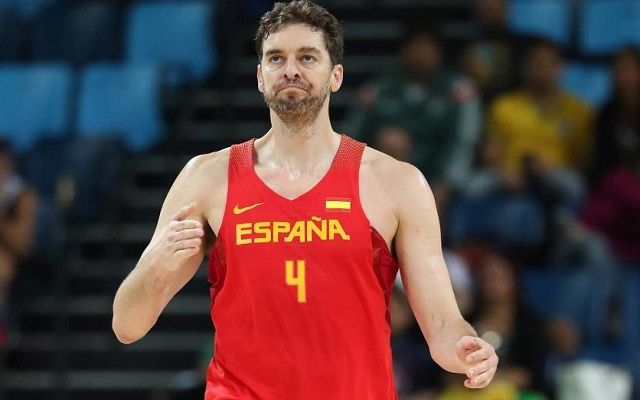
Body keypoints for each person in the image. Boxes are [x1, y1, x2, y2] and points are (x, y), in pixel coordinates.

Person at [112, 2, 498, 399]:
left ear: (336, 76)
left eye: (307, 57)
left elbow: (442, 325)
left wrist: (467, 350)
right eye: (276, 58)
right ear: (259, 76)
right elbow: (127, 325)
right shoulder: (206, 177)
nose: (290, 70)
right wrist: (157, 265)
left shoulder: (397, 182)